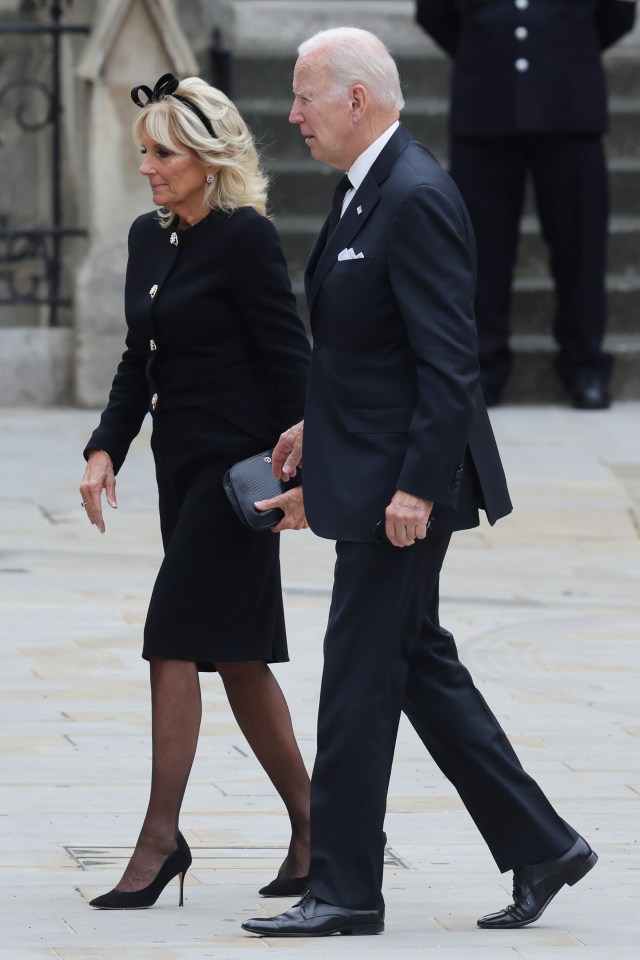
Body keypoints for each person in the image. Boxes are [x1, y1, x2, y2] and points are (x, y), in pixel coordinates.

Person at [241, 28, 597, 938]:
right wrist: (314, 430)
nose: (292, 116)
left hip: (404, 490)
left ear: (355, 99)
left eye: (304, 97)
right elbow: (370, 352)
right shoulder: (366, 189)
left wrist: (418, 491)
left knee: (358, 681)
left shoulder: (418, 193)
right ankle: (543, 843)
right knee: (415, 665)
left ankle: (348, 890)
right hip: (372, 467)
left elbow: (450, 363)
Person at [79, 73, 312, 909]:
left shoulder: (246, 239)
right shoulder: (151, 237)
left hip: (238, 482)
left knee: (171, 637)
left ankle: (159, 842)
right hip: (181, 476)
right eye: (144, 151)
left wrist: (304, 480)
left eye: (164, 153)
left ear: (209, 161)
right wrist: (107, 447)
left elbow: (292, 365)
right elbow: (137, 362)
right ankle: (314, 827)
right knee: (241, 662)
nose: (148, 166)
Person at [416, 0, 636, 410]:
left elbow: (618, 14)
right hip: (485, 109)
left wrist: (561, 54)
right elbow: (434, 13)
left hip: (570, 111)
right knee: (480, 250)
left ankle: (585, 366)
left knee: (581, 246)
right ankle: (483, 369)